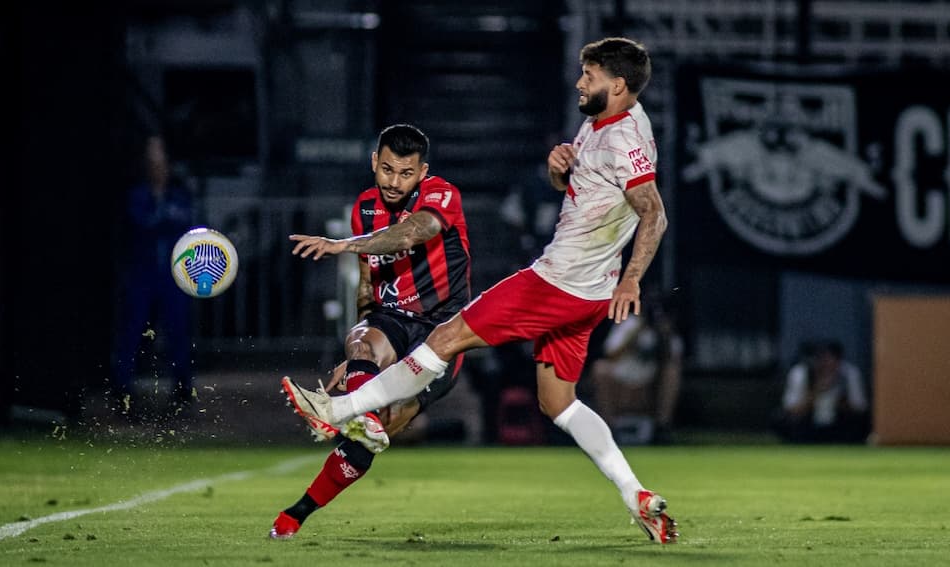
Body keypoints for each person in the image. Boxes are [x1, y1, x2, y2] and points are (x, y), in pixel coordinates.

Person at [282, 37, 678, 544]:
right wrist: (561, 173)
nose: (580, 83)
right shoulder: (611, 121)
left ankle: (337, 410)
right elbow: (594, 194)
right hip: (589, 291)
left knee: (444, 339)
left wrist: (633, 278)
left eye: (590, 76)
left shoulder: (620, 139)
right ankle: (636, 495)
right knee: (559, 403)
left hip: (559, 281)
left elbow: (653, 212)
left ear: (617, 85)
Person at [269, 124, 472, 539]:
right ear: (374, 162)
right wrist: (358, 358)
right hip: (392, 318)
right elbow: (367, 285)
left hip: (442, 332)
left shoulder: (442, 194)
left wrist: (343, 244)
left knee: (374, 436)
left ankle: (300, 510)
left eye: (406, 173)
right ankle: (358, 411)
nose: (394, 182)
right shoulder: (364, 207)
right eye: (387, 169)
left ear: (422, 172)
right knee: (361, 340)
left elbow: (416, 231)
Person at [111, 135, 194, 413]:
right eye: (152, 161)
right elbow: (142, 223)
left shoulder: (178, 196)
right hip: (142, 274)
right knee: (132, 331)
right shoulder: (138, 196)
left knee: (177, 331)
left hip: (172, 276)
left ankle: (183, 388)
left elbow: (186, 225)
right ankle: (122, 388)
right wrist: (162, 215)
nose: (157, 166)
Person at [588, 291, 683, 444]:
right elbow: (611, 354)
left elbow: (673, 358)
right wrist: (637, 330)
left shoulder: (664, 330)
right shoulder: (631, 323)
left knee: (672, 371)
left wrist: (663, 335)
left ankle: (662, 427)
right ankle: (609, 429)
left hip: (649, 385)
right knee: (600, 368)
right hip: (622, 381)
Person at [774, 340, 869, 444]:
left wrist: (839, 399)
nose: (825, 364)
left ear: (838, 361)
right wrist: (816, 391)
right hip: (807, 424)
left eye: (829, 360)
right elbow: (791, 408)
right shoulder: (800, 373)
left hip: (839, 424)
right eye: (821, 360)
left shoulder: (849, 374)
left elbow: (860, 408)